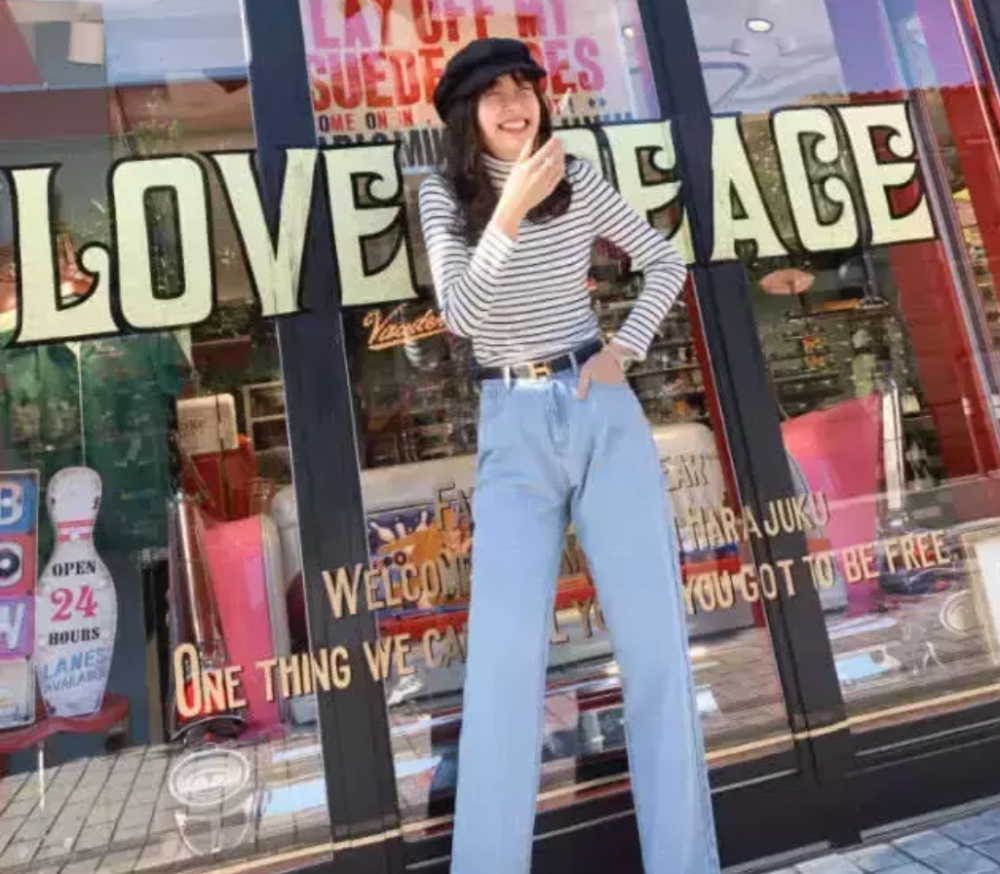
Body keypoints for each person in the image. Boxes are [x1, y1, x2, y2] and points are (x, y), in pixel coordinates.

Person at [419, 37, 721, 874]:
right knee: (504, 663)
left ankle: (685, 862)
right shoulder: (443, 194)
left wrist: (624, 348)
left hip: (599, 409)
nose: (516, 103)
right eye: (494, 92)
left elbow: (664, 260)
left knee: (656, 649)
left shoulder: (578, 179)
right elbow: (463, 316)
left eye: (525, 87)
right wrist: (511, 207)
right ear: (466, 112)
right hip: (511, 419)